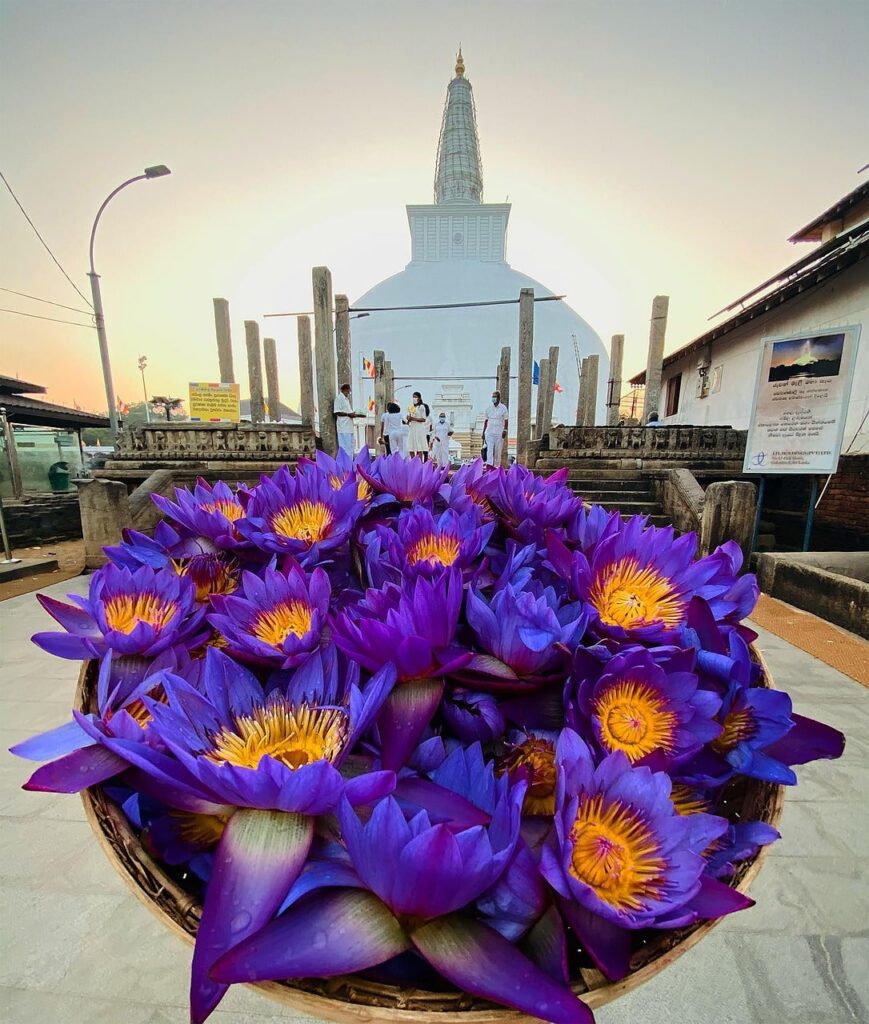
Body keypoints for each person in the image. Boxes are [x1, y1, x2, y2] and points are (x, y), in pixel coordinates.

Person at [333, 384, 365, 456]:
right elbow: (337, 412)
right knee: (345, 448)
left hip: (349, 427)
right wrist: (348, 414)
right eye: (348, 390)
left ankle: (350, 464)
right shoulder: (339, 398)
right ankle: (345, 465)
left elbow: (349, 412)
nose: (349, 392)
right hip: (343, 427)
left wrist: (357, 414)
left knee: (350, 448)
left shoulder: (346, 399)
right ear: (345, 389)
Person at [483, 390, 509, 467]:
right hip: (489, 432)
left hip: (499, 433)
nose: (493, 398)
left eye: (495, 397)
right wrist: (483, 432)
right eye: (493, 397)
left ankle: (496, 466)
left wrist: (505, 430)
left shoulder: (503, 408)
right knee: (489, 449)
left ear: (499, 398)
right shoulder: (488, 408)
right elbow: (486, 421)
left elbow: (506, 420)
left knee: (498, 451)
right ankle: (489, 465)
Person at [407, 391, 431, 461]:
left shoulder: (422, 407)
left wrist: (413, 418)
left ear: (419, 398)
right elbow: (409, 420)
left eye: (415, 397)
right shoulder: (411, 407)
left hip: (419, 428)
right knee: (410, 447)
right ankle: (413, 461)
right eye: (413, 397)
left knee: (419, 447)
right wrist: (408, 419)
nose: (414, 398)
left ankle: (419, 463)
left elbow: (423, 419)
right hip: (412, 428)